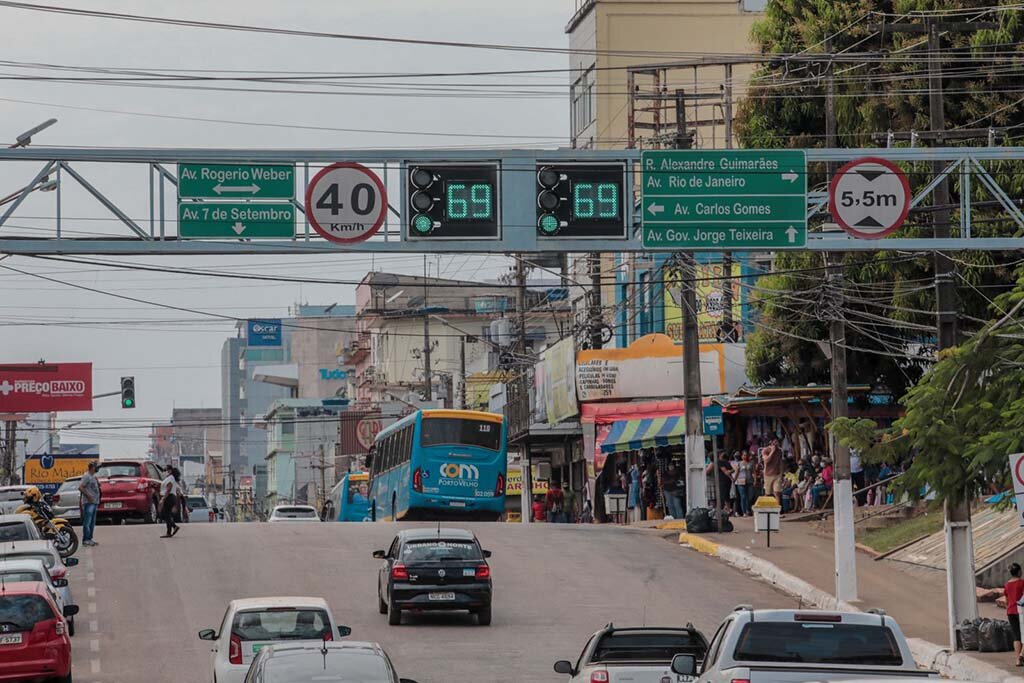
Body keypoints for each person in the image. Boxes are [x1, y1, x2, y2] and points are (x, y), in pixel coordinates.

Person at [78, 461, 101, 547]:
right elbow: (80, 487)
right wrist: (89, 496)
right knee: (87, 522)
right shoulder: (87, 476)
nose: (98, 468)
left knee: (92, 522)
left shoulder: (93, 476)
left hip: (94, 502)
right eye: (96, 467)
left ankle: (90, 539)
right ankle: (86, 539)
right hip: (89, 502)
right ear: (92, 467)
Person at [1006, 563, 1024, 666]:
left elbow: (1007, 599)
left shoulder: (1007, 584)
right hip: (1021, 611)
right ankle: (1022, 654)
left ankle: (1018, 660)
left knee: (1016, 636)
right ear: (1019, 572)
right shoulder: (1022, 583)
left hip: (1010, 611)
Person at [159, 466, 181, 538]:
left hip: (169, 497)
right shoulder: (170, 478)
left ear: (170, 470)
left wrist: (163, 498)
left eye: (165, 470)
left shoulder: (170, 478)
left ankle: (172, 528)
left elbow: (169, 488)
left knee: (166, 515)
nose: (164, 471)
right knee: (166, 515)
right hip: (170, 497)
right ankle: (171, 529)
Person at [761, 439, 783, 505]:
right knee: (768, 493)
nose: (776, 443)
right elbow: (766, 460)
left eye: (777, 442)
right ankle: (766, 508)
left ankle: (777, 511)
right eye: (775, 442)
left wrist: (781, 473)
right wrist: (772, 451)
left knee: (777, 493)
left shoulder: (779, 451)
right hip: (768, 475)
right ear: (771, 442)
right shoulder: (765, 450)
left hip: (777, 474)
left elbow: (780, 462)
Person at [734, 452, 754, 516]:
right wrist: (734, 480)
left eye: (746, 455)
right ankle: (744, 512)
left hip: (749, 481)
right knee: (743, 496)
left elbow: (753, 472)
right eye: (744, 455)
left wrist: (755, 480)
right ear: (742, 456)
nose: (745, 456)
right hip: (740, 481)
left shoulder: (750, 463)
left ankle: (748, 509)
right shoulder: (739, 463)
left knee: (750, 496)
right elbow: (737, 472)